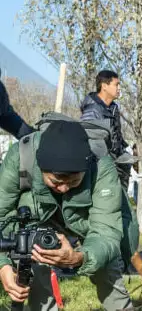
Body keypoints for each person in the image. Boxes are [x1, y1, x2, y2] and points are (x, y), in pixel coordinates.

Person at [0, 121, 132, 309]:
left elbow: (106, 232)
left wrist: (80, 257)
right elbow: (1, 215)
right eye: (56, 181)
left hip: (88, 221)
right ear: (40, 166)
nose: (63, 188)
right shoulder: (20, 157)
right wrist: (3, 266)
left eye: (73, 181)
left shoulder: (102, 167)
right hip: (37, 218)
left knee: (107, 267)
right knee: (32, 255)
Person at [80, 70, 129, 185]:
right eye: (116, 84)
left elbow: (115, 138)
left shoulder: (113, 108)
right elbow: (90, 145)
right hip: (101, 171)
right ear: (104, 86)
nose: (119, 88)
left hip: (116, 168)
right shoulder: (92, 110)